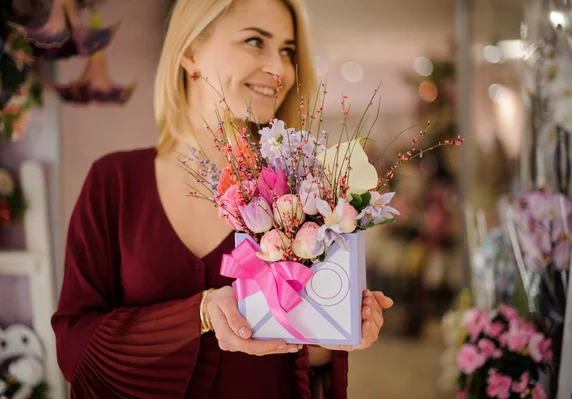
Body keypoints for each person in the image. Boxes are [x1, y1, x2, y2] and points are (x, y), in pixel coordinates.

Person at [51, 0, 394, 398]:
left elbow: (304, 365)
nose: (280, 69)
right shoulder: (114, 183)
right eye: (254, 41)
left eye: (286, 51)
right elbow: (73, 347)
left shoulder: (305, 187)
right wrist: (199, 313)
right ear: (190, 51)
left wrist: (334, 330)